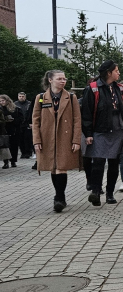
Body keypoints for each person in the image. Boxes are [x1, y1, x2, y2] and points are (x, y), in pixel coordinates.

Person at [82, 60, 123, 206]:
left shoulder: (120, 89)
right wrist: (88, 134)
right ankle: (96, 192)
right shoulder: (92, 89)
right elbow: (86, 113)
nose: (119, 73)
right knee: (98, 162)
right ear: (108, 72)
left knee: (114, 164)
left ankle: (110, 193)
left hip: (118, 131)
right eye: (116, 70)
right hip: (100, 131)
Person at [30, 71, 82, 212]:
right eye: (59, 78)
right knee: (53, 167)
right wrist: (36, 140)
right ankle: (59, 196)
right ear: (50, 80)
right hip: (47, 138)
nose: (63, 81)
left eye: (64, 78)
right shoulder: (40, 98)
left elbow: (77, 120)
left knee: (61, 167)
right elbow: (35, 121)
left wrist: (76, 140)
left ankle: (59, 197)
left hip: (65, 138)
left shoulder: (71, 97)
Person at [0, 95, 22, 168]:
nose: (1, 102)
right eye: (0, 101)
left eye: (3, 100)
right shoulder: (0, 109)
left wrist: (13, 120)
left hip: (13, 129)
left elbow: (20, 118)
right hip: (3, 130)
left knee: (13, 146)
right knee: (4, 146)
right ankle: (6, 162)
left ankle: (13, 161)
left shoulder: (14, 108)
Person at [15, 93, 33, 159]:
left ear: (25, 97)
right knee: (21, 139)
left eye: (22, 96)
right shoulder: (15, 104)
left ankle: (28, 152)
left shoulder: (29, 104)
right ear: (18, 97)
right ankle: (23, 153)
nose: (21, 97)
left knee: (28, 139)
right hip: (19, 124)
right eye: (20, 96)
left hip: (27, 123)